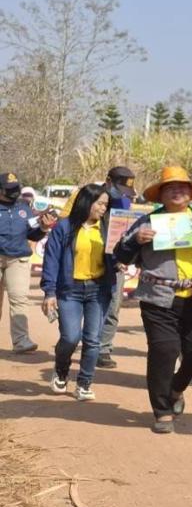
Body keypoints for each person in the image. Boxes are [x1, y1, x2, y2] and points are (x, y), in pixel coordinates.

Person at [114, 166, 192, 434]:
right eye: (170, 188)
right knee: (165, 351)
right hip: (158, 297)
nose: (177, 191)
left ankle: (176, 387)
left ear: (191, 193)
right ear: (161, 195)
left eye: (183, 187)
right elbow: (121, 254)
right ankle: (162, 410)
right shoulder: (147, 222)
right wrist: (135, 240)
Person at [40, 184, 115, 400]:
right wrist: (49, 292)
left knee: (93, 340)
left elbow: (118, 255)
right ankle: (61, 371)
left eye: (106, 205)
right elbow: (51, 259)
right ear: (86, 202)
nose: (103, 208)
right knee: (71, 337)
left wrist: (119, 261)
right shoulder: (64, 227)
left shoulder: (108, 228)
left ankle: (84, 383)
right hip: (69, 291)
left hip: (98, 290)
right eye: (100, 203)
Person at [0, 171, 58, 354]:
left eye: (16, 188)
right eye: (9, 189)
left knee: (19, 299)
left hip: (18, 259)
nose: (14, 192)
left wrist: (43, 227)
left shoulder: (24, 207)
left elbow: (32, 234)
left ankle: (21, 340)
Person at [96, 166, 137, 369]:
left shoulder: (125, 202)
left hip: (115, 261)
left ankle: (103, 349)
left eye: (126, 190)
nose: (122, 193)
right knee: (90, 305)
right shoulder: (90, 196)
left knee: (113, 306)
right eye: (120, 187)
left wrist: (124, 256)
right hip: (89, 259)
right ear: (108, 181)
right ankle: (86, 343)